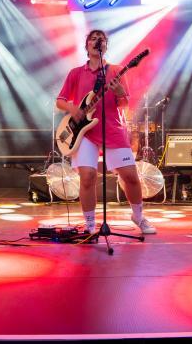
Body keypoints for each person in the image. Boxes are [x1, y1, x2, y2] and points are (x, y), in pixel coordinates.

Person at [56, 30, 156, 235]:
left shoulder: (117, 70)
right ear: (87, 46)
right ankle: (90, 224)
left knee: (130, 175)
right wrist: (73, 109)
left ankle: (138, 216)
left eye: (101, 39)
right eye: (93, 38)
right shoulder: (76, 73)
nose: (97, 41)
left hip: (112, 128)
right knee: (87, 177)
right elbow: (60, 101)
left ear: (106, 46)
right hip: (84, 132)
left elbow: (124, 104)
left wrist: (120, 93)